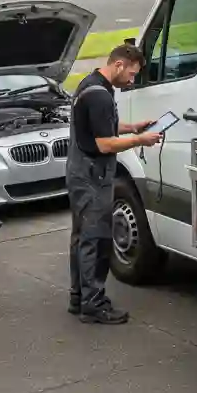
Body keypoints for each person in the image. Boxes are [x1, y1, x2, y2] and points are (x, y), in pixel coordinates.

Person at [66, 44, 162, 324]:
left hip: (80, 171)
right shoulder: (100, 96)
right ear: (118, 65)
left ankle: (78, 297)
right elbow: (104, 143)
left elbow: (101, 126)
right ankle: (93, 305)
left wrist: (131, 127)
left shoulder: (92, 83)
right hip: (92, 175)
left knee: (81, 237)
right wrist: (140, 140)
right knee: (95, 240)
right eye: (131, 74)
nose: (132, 80)